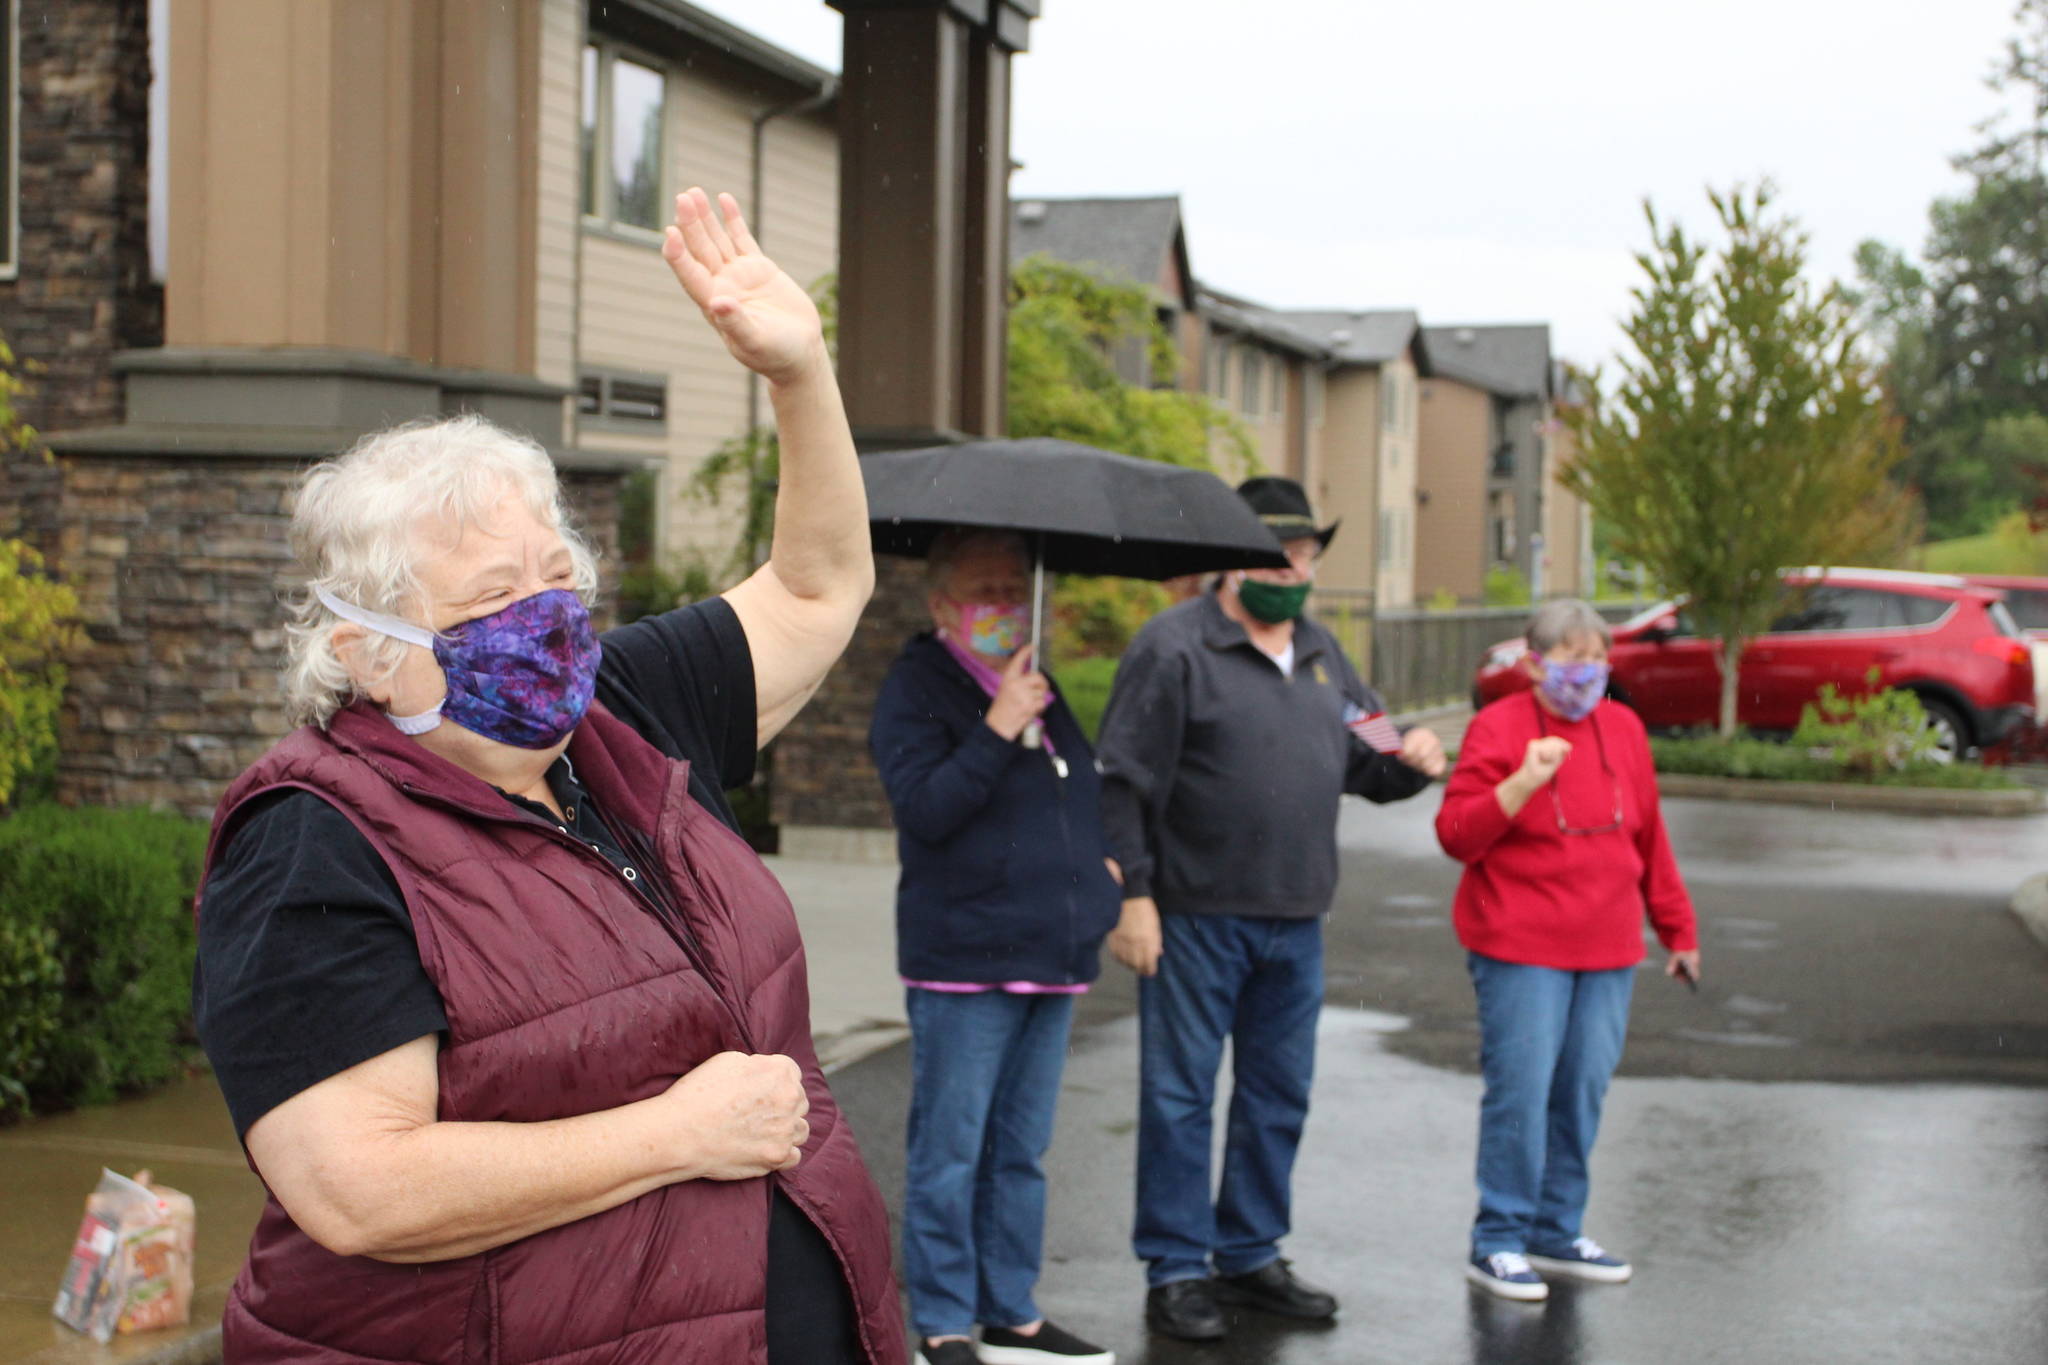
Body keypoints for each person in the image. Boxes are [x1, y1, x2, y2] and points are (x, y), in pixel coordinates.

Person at [190, 189, 902, 1364]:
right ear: (364, 648)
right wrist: (674, 1135)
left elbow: (820, 585)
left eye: (555, 574)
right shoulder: (312, 839)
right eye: (486, 600)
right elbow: (360, 1189)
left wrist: (799, 375)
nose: (543, 620)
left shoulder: (624, 714)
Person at [1094, 476, 1447, 1342]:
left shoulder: (1324, 653)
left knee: (1277, 1093)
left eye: (1306, 554)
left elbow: (1375, 756)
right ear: (1232, 559)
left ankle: (1249, 1251)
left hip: (1296, 917)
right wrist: (1132, 895)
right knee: (1179, 1097)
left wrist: (1416, 760)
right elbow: (1122, 783)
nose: (1294, 567)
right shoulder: (1174, 648)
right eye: (1277, 552)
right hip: (1192, 915)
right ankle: (1177, 1266)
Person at [869, 529, 1122, 1365]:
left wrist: (1107, 876)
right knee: (951, 1150)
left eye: (1015, 589)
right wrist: (996, 726)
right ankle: (943, 1320)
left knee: (1020, 1151)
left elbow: (1078, 789)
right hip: (964, 962)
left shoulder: (1038, 685)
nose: (1005, 606)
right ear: (942, 604)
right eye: (985, 590)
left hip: (1050, 956)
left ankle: (1010, 1308)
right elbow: (928, 810)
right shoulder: (918, 687)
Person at [1434, 598, 1700, 1302]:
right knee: (1522, 1087)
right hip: (1520, 942)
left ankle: (1555, 1229)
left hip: (1607, 946)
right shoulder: (1499, 726)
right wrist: (1522, 780)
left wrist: (1677, 928)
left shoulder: (1624, 728)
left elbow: (1649, 838)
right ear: (1533, 661)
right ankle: (1498, 1237)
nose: (1585, 673)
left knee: (1580, 1088)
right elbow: (1458, 832)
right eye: (1570, 658)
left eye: (1596, 659)